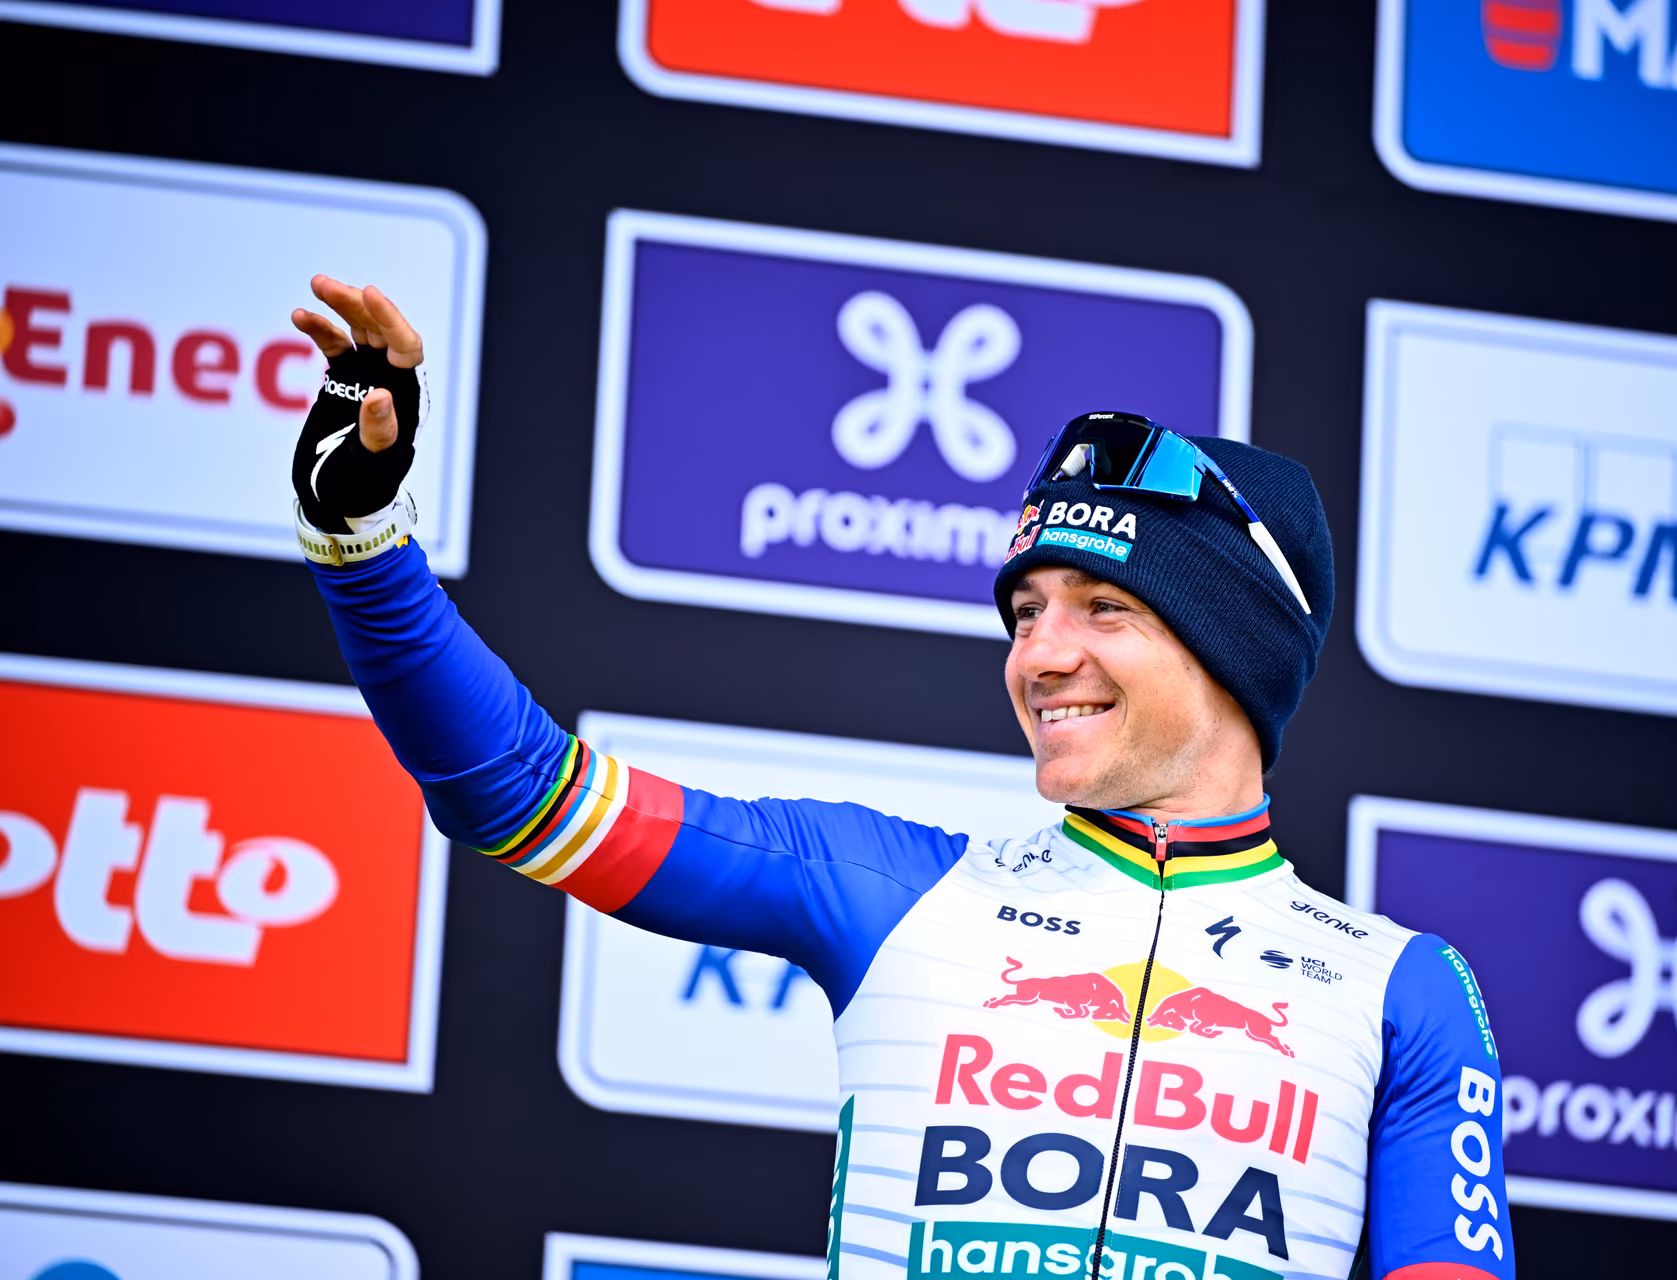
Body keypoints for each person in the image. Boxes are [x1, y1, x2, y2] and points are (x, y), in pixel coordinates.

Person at [288, 276, 1513, 1280]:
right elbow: (520, 792)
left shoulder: (1401, 989)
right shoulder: (893, 892)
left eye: (1106, 608)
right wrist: (361, 537)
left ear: (1235, 647)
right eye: (1025, 610)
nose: (1042, 654)